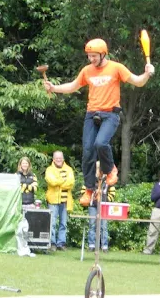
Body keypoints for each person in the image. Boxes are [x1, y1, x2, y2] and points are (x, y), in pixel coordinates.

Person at [43, 38, 154, 206]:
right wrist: (54, 88)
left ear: (103, 54)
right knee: (87, 151)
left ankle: (111, 170)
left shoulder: (116, 68)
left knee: (101, 144)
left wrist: (146, 74)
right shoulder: (87, 70)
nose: (91, 59)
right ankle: (89, 189)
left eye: (94, 56)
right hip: (91, 114)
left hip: (110, 114)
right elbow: (73, 86)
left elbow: (138, 82)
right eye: (89, 56)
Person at [80, 161, 116, 253]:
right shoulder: (90, 179)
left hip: (104, 206)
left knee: (104, 226)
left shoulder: (108, 179)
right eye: (97, 168)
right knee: (92, 225)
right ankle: (91, 245)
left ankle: (104, 247)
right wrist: (90, 196)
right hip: (93, 206)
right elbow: (83, 192)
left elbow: (112, 193)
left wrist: (105, 200)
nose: (99, 169)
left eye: (100, 168)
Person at [45, 150, 75, 251]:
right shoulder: (49, 169)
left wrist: (58, 181)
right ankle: (52, 243)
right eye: (57, 158)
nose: (59, 160)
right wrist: (63, 180)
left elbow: (71, 183)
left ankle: (61, 243)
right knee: (52, 223)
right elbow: (51, 182)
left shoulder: (69, 169)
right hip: (53, 201)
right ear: (53, 159)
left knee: (63, 223)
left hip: (65, 201)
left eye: (60, 158)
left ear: (63, 159)